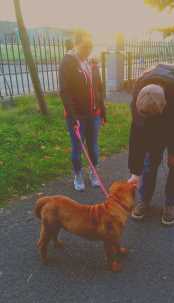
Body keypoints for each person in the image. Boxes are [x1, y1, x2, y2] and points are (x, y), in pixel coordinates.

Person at [128, 64, 174, 225]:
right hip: (153, 131)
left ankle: (169, 204)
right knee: (148, 165)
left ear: (164, 106)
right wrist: (135, 171)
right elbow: (137, 134)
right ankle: (144, 200)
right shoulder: (138, 91)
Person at [59, 31, 106, 192]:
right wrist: (72, 117)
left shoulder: (92, 62)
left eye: (91, 46)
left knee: (93, 146)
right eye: (85, 46)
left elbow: (98, 87)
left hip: (94, 114)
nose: (88, 50)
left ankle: (93, 172)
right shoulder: (68, 62)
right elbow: (64, 91)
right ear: (76, 44)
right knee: (77, 148)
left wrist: (102, 111)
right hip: (77, 115)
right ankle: (78, 174)